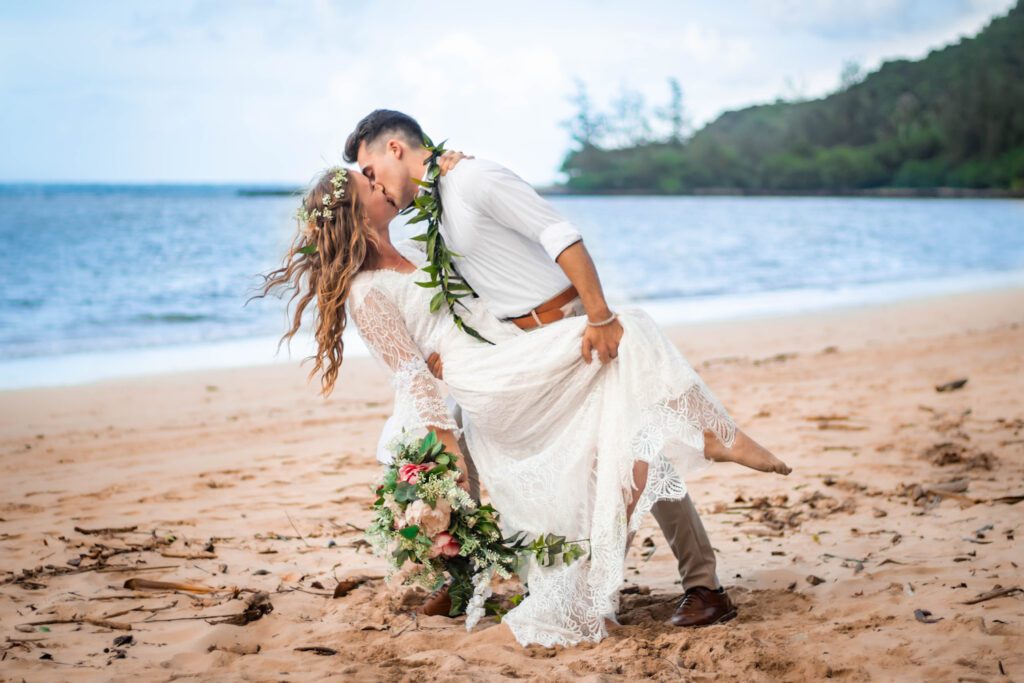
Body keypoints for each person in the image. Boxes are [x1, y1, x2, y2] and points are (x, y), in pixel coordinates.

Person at [256, 152, 790, 647]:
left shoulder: (416, 244)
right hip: (485, 375)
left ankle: (591, 595)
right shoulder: (365, 290)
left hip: (503, 354)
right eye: (367, 182)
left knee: (620, 443)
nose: (380, 183)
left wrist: (448, 166)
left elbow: (474, 286)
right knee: (632, 334)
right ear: (354, 211)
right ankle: (718, 437)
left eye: (373, 171)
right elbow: (411, 377)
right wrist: (445, 444)